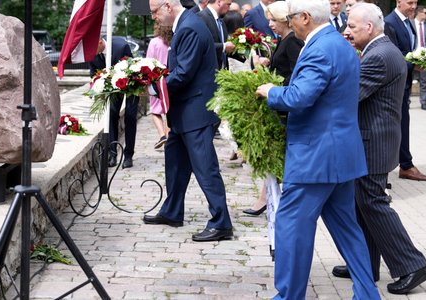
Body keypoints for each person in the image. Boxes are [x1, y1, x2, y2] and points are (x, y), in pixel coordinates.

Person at [255, 0, 380, 298]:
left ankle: (288, 295)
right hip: (340, 156)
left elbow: (299, 97)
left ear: (306, 17)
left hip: (315, 159)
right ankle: (367, 294)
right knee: (348, 230)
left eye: (290, 18)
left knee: (291, 228)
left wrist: (271, 91)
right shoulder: (339, 44)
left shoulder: (320, 48)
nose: (288, 23)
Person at [335, 3, 426, 295]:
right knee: (363, 204)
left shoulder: (379, 55)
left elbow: (350, 96)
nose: (347, 31)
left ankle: (411, 265)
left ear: (369, 27)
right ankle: (366, 263)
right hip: (375, 139)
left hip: (373, 142)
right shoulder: (383, 49)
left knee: (373, 203)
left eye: (352, 26)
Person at [143, 0, 234, 242]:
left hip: (195, 111)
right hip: (184, 111)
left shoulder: (189, 28)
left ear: (168, 7)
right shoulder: (184, 25)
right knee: (175, 163)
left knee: (205, 168)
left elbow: (183, 73)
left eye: (154, 12)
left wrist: (153, 88)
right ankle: (172, 211)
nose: (153, 18)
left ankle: (222, 222)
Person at [243, 0, 303, 217]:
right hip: (280, 102)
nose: (269, 24)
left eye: (273, 20)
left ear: (285, 21)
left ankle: (268, 200)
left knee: (279, 155)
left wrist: (274, 83)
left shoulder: (292, 41)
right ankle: (266, 199)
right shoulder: (284, 39)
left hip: (285, 105)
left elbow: (297, 74)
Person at [385, 0, 426, 181]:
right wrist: (415, 64)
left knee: (403, 123)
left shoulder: (407, 22)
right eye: (409, 2)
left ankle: (405, 163)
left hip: (404, 83)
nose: (413, 6)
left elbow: (407, 51)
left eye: (415, 2)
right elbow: (392, 55)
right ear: (398, 2)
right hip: (396, 84)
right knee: (400, 124)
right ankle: (405, 165)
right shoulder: (390, 22)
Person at [89, 37, 139, 169]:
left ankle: (128, 155)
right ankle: (112, 154)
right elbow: (93, 74)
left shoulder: (121, 47)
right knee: (111, 113)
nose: (90, 52)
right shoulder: (92, 55)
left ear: (100, 41)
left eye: (92, 48)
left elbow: (132, 69)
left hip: (131, 84)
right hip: (112, 87)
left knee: (130, 116)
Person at [146, 23, 173, 149]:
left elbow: (149, 61)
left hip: (157, 78)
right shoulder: (174, 41)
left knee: (155, 110)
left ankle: (162, 135)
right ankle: (169, 133)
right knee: (169, 109)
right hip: (171, 78)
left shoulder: (154, 42)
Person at [197, 0, 236, 69]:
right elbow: (199, 45)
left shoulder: (220, 20)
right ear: (219, 2)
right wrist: (223, 47)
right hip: (208, 72)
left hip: (221, 72)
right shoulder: (201, 17)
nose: (229, 8)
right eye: (228, 4)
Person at [413, 6, 426, 110]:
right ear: (419, 13)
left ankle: (423, 102)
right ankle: (407, 101)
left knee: (424, 80)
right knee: (408, 79)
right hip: (412, 55)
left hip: (424, 56)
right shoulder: (410, 24)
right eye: (425, 12)